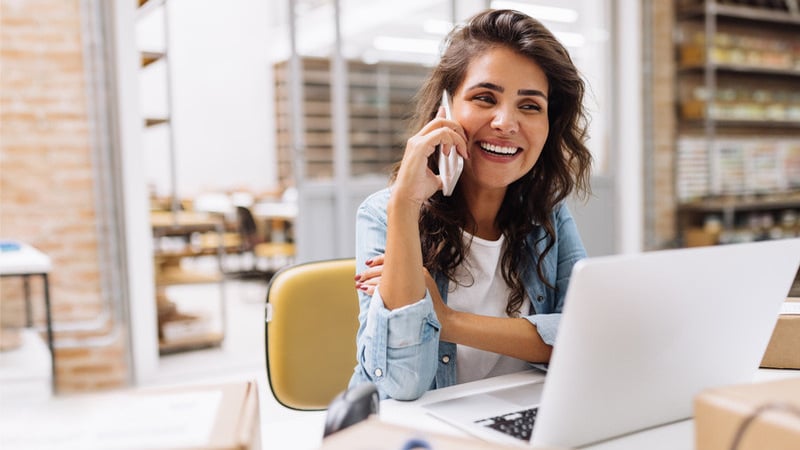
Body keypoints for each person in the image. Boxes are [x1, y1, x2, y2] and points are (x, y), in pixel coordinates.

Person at [349, 8, 592, 401]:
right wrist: (405, 204)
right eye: (484, 98)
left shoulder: (546, 215)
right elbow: (400, 383)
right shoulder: (384, 213)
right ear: (444, 110)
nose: (506, 122)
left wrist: (447, 320)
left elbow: (582, 339)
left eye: (529, 106)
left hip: (512, 420)